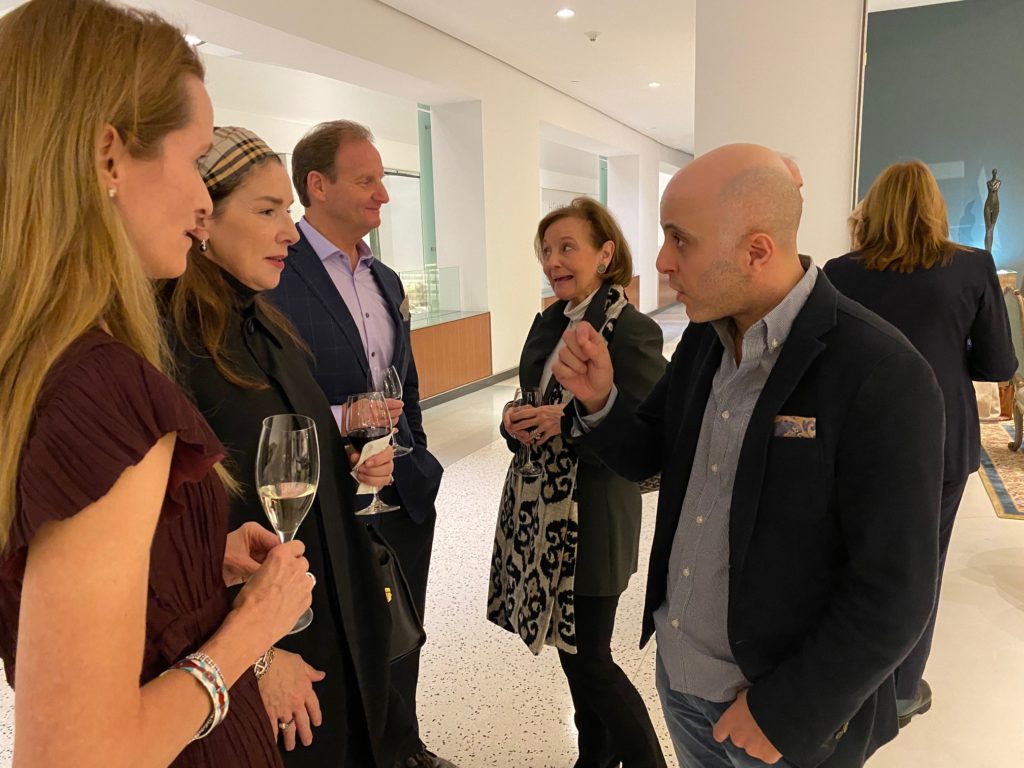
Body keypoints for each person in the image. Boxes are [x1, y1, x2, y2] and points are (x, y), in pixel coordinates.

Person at [552, 143, 946, 768]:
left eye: (680, 240)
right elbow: (647, 456)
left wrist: (786, 712)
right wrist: (599, 400)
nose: (661, 261)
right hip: (683, 683)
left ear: (756, 250)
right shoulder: (705, 345)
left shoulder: (880, 372)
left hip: (780, 718)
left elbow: (895, 593)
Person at [0, 2, 313, 766]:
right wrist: (250, 631)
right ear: (111, 158)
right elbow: (75, 754)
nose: (203, 204)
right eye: (194, 158)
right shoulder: (103, 391)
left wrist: (194, 562)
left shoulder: (41, 363)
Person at [164, 126, 419, 767]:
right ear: (203, 216)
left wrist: (349, 469)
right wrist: (255, 656)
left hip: (317, 607)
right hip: (262, 644)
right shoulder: (175, 345)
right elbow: (171, 539)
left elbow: (282, 455)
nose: (289, 230)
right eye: (268, 210)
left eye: (286, 209)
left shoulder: (260, 321)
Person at [269, 120, 450, 768]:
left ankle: (405, 746)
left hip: (403, 489)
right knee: (343, 640)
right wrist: (345, 419)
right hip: (324, 495)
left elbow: (408, 381)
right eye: (367, 179)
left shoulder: (389, 281)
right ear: (317, 186)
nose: (384, 195)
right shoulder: (276, 277)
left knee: (405, 632)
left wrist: (416, 451)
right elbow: (270, 395)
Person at [824, 159, 1016, 728]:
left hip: (854, 438)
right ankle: (902, 690)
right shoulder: (973, 267)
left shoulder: (838, 272)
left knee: (848, 560)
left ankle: (846, 688)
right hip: (940, 436)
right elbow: (998, 363)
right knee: (921, 568)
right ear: (935, 209)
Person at [488, 198, 667, 768]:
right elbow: (535, 401)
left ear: (605, 254)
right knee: (576, 652)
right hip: (543, 513)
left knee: (587, 657)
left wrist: (563, 423)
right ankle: (593, 760)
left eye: (567, 247)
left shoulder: (631, 332)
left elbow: (645, 431)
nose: (553, 261)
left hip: (593, 513)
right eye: (546, 250)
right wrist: (514, 420)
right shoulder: (550, 321)